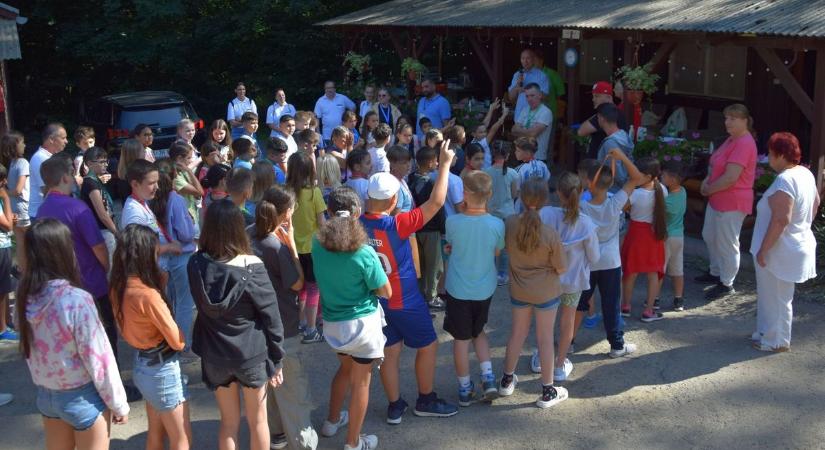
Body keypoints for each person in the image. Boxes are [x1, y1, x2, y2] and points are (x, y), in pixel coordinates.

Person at [361, 140, 460, 425]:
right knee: (428, 345)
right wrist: (444, 165)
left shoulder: (357, 224)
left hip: (378, 301)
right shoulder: (397, 224)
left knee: (390, 352)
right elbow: (437, 202)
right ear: (393, 201)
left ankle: (395, 406)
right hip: (404, 298)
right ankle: (426, 399)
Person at [17, 219, 129, 446]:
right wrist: (118, 403)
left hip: (47, 396)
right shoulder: (76, 300)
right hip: (82, 397)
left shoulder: (24, 297)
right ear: (64, 251)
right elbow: (100, 360)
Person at [188, 199, 284, 450]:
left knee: (228, 423)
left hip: (215, 355)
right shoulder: (253, 267)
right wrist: (276, 360)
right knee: (258, 421)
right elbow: (272, 318)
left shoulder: (196, 264)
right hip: (251, 355)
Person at [313, 186, 390, 450]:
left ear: (330, 212)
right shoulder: (365, 252)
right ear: (356, 214)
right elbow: (386, 291)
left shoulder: (317, 243)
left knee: (345, 370)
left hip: (334, 326)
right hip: (363, 328)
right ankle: (353, 443)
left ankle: (332, 421)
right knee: (361, 381)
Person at [249, 186, 319, 450]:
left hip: (256, 327)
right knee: (292, 390)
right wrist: (291, 246)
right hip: (282, 327)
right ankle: (302, 442)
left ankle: (277, 433)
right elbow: (299, 284)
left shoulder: (249, 233)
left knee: (270, 386)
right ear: (285, 212)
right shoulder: (275, 244)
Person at [110, 224, 191, 450]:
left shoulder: (118, 285)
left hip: (143, 365)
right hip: (162, 370)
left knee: (155, 432)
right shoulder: (148, 295)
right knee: (181, 437)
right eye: (156, 252)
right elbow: (178, 341)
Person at [497, 178, 568, 408]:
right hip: (546, 292)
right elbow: (561, 267)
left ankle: (507, 380)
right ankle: (548, 391)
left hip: (519, 288)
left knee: (517, 334)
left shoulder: (509, 223)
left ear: (520, 197)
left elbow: (502, 249)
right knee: (545, 339)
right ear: (545, 201)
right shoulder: (550, 233)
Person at [37, 155, 116, 360]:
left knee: (75, 341)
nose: (74, 178)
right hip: (91, 284)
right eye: (72, 174)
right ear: (65, 177)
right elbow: (98, 246)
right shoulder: (78, 208)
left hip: (61, 286)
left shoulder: (42, 210)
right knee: (105, 337)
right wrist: (105, 267)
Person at [750, 132, 819, 352]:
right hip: (792, 243)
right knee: (770, 294)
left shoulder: (785, 179)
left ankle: (777, 341)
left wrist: (764, 249)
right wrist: (803, 224)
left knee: (778, 297)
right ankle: (764, 332)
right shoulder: (804, 173)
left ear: (780, 155)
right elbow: (816, 202)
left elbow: (781, 219)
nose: (768, 158)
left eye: (770, 153)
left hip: (781, 249)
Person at [442, 170, 504, 405]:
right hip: (484, 289)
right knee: (479, 332)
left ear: (465, 194)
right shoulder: (497, 224)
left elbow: (451, 246)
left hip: (458, 289)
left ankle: (464, 389)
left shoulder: (453, 221)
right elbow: (497, 251)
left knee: (460, 339)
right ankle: (488, 378)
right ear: (489, 195)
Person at [576, 152, 642, 357]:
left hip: (586, 260)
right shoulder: (616, 203)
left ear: (589, 183)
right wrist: (621, 157)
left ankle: (567, 341)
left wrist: (585, 183)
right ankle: (616, 345)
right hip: (610, 262)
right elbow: (637, 177)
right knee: (611, 302)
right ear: (610, 182)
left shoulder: (581, 204)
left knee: (579, 303)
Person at [538, 172, 600, 382]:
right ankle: (559, 364)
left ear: (558, 193)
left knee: (545, 322)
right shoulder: (586, 224)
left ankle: (541, 357)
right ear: (581, 192)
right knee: (567, 322)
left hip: (547, 280)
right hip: (573, 282)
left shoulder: (545, 214)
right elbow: (594, 256)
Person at [698, 104, 758, 300]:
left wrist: (708, 188)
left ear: (744, 121)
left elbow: (731, 177)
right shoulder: (732, 140)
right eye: (726, 118)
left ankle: (726, 282)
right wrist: (707, 181)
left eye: (733, 118)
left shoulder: (744, 143)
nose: (728, 122)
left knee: (727, 242)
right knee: (710, 235)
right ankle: (715, 271)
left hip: (732, 201)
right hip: (718, 198)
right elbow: (715, 164)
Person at [151, 159, 197, 355]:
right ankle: (182, 342)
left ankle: (171, 337)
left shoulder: (151, 199)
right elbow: (186, 234)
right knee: (185, 303)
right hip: (182, 255)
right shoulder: (176, 199)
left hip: (165, 256)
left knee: (172, 301)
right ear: (172, 177)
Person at [286, 151, 327, 343]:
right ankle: (311, 329)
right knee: (314, 288)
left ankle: (302, 322)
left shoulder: (287, 194)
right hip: (313, 248)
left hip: (293, 248)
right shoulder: (314, 193)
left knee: (301, 288)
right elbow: (322, 222)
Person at [621, 156, 668, 322]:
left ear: (648, 176)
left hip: (636, 233)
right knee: (653, 273)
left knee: (630, 272)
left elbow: (623, 207)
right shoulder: (662, 189)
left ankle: (625, 306)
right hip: (654, 234)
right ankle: (649, 310)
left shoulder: (635, 193)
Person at [408, 146, 446, 311]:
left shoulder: (410, 179)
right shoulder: (432, 182)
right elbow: (438, 208)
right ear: (430, 162)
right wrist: (443, 229)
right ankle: (431, 296)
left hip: (415, 229)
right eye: (436, 160)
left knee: (420, 264)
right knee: (435, 265)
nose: (437, 162)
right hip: (431, 230)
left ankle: (421, 294)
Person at [484, 142, 519, 285]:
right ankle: (502, 274)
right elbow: (514, 193)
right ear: (508, 155)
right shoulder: (513, 173)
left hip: (491, 214)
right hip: (508, 214)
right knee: (505, 247)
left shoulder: (486, 172)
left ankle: (490, 273)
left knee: (491, 245)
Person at [80, 147, 117, 268]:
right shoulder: (90, 183)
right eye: (101, 162)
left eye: (106, 161)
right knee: (111, 269)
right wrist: (116, 232)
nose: (105, 164)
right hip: (103, 231)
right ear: (90, 164)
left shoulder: (96, 181)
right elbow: (102, 214)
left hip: (106, 229)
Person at [1, 131, 30, 271]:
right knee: (34, 242)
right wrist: (5, 193)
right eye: (22, 142)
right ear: (15, 147)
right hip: (24, 208)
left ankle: (22, 271)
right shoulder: (23, 162)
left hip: (13, 208)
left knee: (20, 243)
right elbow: (19, 190)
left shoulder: (12, 163)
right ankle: (35, 272)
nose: (25, 145)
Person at [577, 81, 629, 160]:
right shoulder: (617, 112)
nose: (593, 99)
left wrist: (597, 115)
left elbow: (581, 131)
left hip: (602, 164)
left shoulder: (605, 115)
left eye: (597, 96)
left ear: (609, 98)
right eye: (593, 96)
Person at [661, 160, 687, 311]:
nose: (661, 177)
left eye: (663, 176)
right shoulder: (683, 191)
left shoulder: (667, 201)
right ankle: (679, 299)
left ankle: (655, 298)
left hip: (667, 238)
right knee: (678, 269)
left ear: (672, 178)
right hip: (679, 236)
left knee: (660, 270)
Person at [29, 122, 68, 219]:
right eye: (63, 138)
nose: (66, 141)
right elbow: (47, 189)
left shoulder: (49, 157)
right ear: (51, 139)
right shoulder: (41, 159)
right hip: (42, 215)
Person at [511, 83, 553, 163]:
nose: (529, 99)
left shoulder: (546, 112)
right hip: (523, 156)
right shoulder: (525, 110)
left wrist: (520, 131)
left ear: (540, 95)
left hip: (537, 157)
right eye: (527, 96)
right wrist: (528, 131)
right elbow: (513, 130)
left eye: (532, 95)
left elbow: (533, 134)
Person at [596, 103, 634, 190]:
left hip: (612, 190)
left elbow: (618, 173)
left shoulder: (610, 143)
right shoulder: (624, 135)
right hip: (625, 188)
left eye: (597, 118)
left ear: (601, 118)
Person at [169, 142, 204, 233]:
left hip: (192, 213)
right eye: (188, 158)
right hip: (186, 217)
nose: (190, 161)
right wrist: (189, 171)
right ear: (179, 158)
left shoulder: (182, 171)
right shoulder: (176, 177)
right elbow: (200, 192)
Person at [508, 49, 550, 121]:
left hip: (535, 117)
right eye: (523, 58)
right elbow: (511, 98)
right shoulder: (517, 74)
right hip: (519, 116)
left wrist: (526, 90)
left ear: (533, 60)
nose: (525, 61)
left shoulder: (542, 76)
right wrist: (517, 86)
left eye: (528, 58)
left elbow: (545, 97)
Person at [0, 166, 16, 341]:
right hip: (1, 247)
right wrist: (6, 199)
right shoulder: (1, 197)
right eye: (2, 180)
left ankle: (6, 321)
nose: (5, 182)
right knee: (2, 289)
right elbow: (8, 226)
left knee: (4, 288)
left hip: (3, 244)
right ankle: (2, 328)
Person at [471, 99, 508, 169]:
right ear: (473, 134)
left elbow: (484, 124)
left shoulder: (475, 140)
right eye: (481, 132)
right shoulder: (480, 144)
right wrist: (504, 115)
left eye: (485, 132)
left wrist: (491, 109)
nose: (484, 134)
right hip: (484, 172)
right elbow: (493, 130)